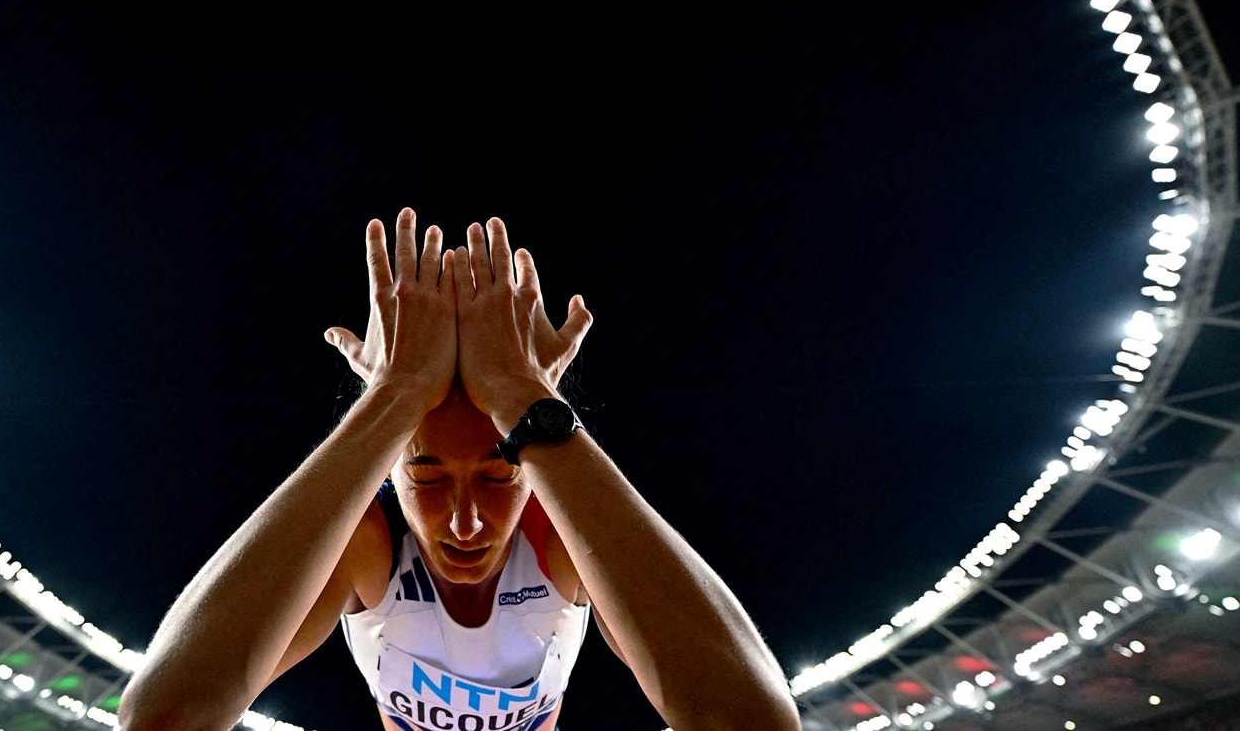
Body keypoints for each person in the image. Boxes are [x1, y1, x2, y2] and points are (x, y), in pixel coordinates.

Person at [118, 209, 801, 731]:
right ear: (388, 471)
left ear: (539, 478)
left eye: (501, 477)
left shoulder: (559, 542)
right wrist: (389, 399)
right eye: (429, 477)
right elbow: (166, 716)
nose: (467, 520)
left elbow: (749, 720)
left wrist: (530, 401)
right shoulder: (369, 551)